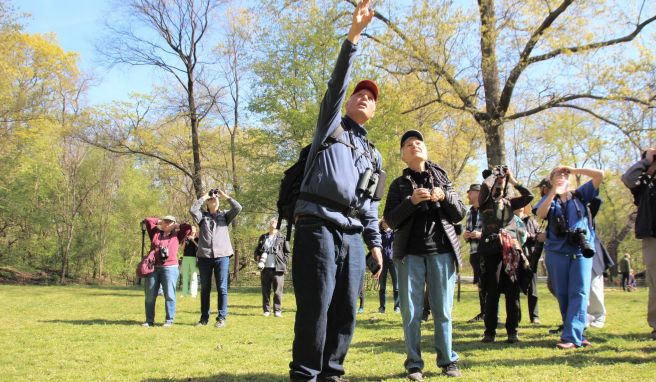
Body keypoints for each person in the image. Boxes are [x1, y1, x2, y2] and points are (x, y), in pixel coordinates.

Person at [288, 2, 384, 380]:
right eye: (359, 94)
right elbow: (336, 84)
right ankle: (306, 375)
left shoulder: (374, 154)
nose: (364, 97)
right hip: (318, 225)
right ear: (348, 101)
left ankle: (332, 374)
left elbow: (372, 206)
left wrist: (375, 244)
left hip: (355, 234)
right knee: (316, 307)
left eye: (371, 97)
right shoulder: (331, 127)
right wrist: (353, 37)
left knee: (346, 310)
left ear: (375, 110)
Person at [384, 130, 465, 380]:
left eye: (418, 143)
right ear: (403, 155)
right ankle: (414, 364)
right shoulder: (398, 185)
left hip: (441, 252)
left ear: (425, 150)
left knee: (443, 311)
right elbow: (389, 220)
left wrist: (445, 196)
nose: (414, 146)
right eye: (408, 144)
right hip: (409, 254)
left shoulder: (442, 178)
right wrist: (411, 201)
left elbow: (459, 213)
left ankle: (448, 361)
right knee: (411, 311)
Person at [535, 165, 604, 349]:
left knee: (580, 292)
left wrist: (574, 170)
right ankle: (576, 333)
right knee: (563, 293)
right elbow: (540, 214)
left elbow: (600, 175)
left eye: (565, 174)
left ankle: (571, 336)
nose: (563, 175)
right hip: (556, 252)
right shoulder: (548, 199)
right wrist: (553, 193)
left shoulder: (581, 194)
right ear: (551, 179)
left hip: (581, 250)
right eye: (558, 173)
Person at [478, 167, 533, 344]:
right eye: (497, 180)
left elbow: (529, 197)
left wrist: (514, 180)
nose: (500, 180)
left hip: (510, 251)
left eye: (502, 179)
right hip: (491, 250)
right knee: (492, 292)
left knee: (512, 291)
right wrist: (493, 176)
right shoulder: (485, 201)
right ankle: (490, 332)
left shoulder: (510, 202)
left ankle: (512, 331)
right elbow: (485, 189)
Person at [189, 188, 242, 328]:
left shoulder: (225, 216)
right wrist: (205, 196)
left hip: (222, 256)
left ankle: (221, 318)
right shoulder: (202, 217)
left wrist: (225, 196)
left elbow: (238, 207)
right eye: (211, 199)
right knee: (205, 288)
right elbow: (193, 209)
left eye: (215, 198)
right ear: (207, 203)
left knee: (222, 288)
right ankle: (204, 319)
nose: (213, 199)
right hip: (204, 257)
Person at [622, 147, 656, 340]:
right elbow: (628, 178)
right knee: (654, 280)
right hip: (652, 235)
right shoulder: (643, 184)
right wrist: (645, 161)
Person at [141, 215, 191, 327]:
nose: (167, 224)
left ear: (173, 224)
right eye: (165, 221)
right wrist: (160, 221)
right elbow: (148, 220)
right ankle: (149, 320)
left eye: (169, 222)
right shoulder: (155, 233)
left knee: (169, 295)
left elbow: (188, 228)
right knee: (150, 295)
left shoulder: (177, 235)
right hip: (153, 267)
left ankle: (169, 320)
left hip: (170, 268)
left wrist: (177, 225)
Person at [254, 217, 289, 317]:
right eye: (272, 222)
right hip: (265, 268)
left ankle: (277, 310)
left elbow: (287, 252)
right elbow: (257, 250)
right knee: (265, 290)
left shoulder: (283, 237)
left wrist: (284, 262)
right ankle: (266, 310)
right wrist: (257, 256)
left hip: (278, 269)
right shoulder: (263, 237)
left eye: (275, 222)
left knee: (278, 291)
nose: (273, 224)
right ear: (269, 225)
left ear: (278, 226)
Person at [464, 183, 484, 323]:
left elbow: (495, 230)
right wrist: (466, 235)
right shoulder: (470, 212)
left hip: (486, 251)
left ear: (478, 192)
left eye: (470, 192)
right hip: (474, 252)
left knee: (489, 283)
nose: (468, 195)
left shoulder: (487, 209)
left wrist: (480, 234)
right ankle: (484, 312)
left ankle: (491, 313)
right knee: (480, 284)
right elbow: (468, 229)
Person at [519, 205, 540, 324]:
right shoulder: (510, 220)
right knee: (514, 290)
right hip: (516, 258)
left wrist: (529, 236)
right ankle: (517, 316)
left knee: (533, 289)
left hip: (530, 258)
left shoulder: (531, 221)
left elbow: (539, 236)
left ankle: (534, 316)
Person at [378, 218, 399, 313]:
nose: (385, 223)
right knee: (382, 287)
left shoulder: (393, 233)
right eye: (383, 222)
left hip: (393, 262)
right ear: (381, 224)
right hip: (382, 262)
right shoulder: (378, 234)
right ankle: (382, 307)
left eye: (387, 222)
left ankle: (397, 307)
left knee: (396, 286)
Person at [180, 225, 199, 298]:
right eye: (191, 229)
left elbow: (199, 247)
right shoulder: (186, 238)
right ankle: (184, 293)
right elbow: (181, 249)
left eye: (193, 229)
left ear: (195, 230)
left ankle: (193, 293)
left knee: (194, 276)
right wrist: (185, 240)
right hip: (185, 258)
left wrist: (193, 240)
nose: (192, 230)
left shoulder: (197, 238)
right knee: (185, 276)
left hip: (194, 258)